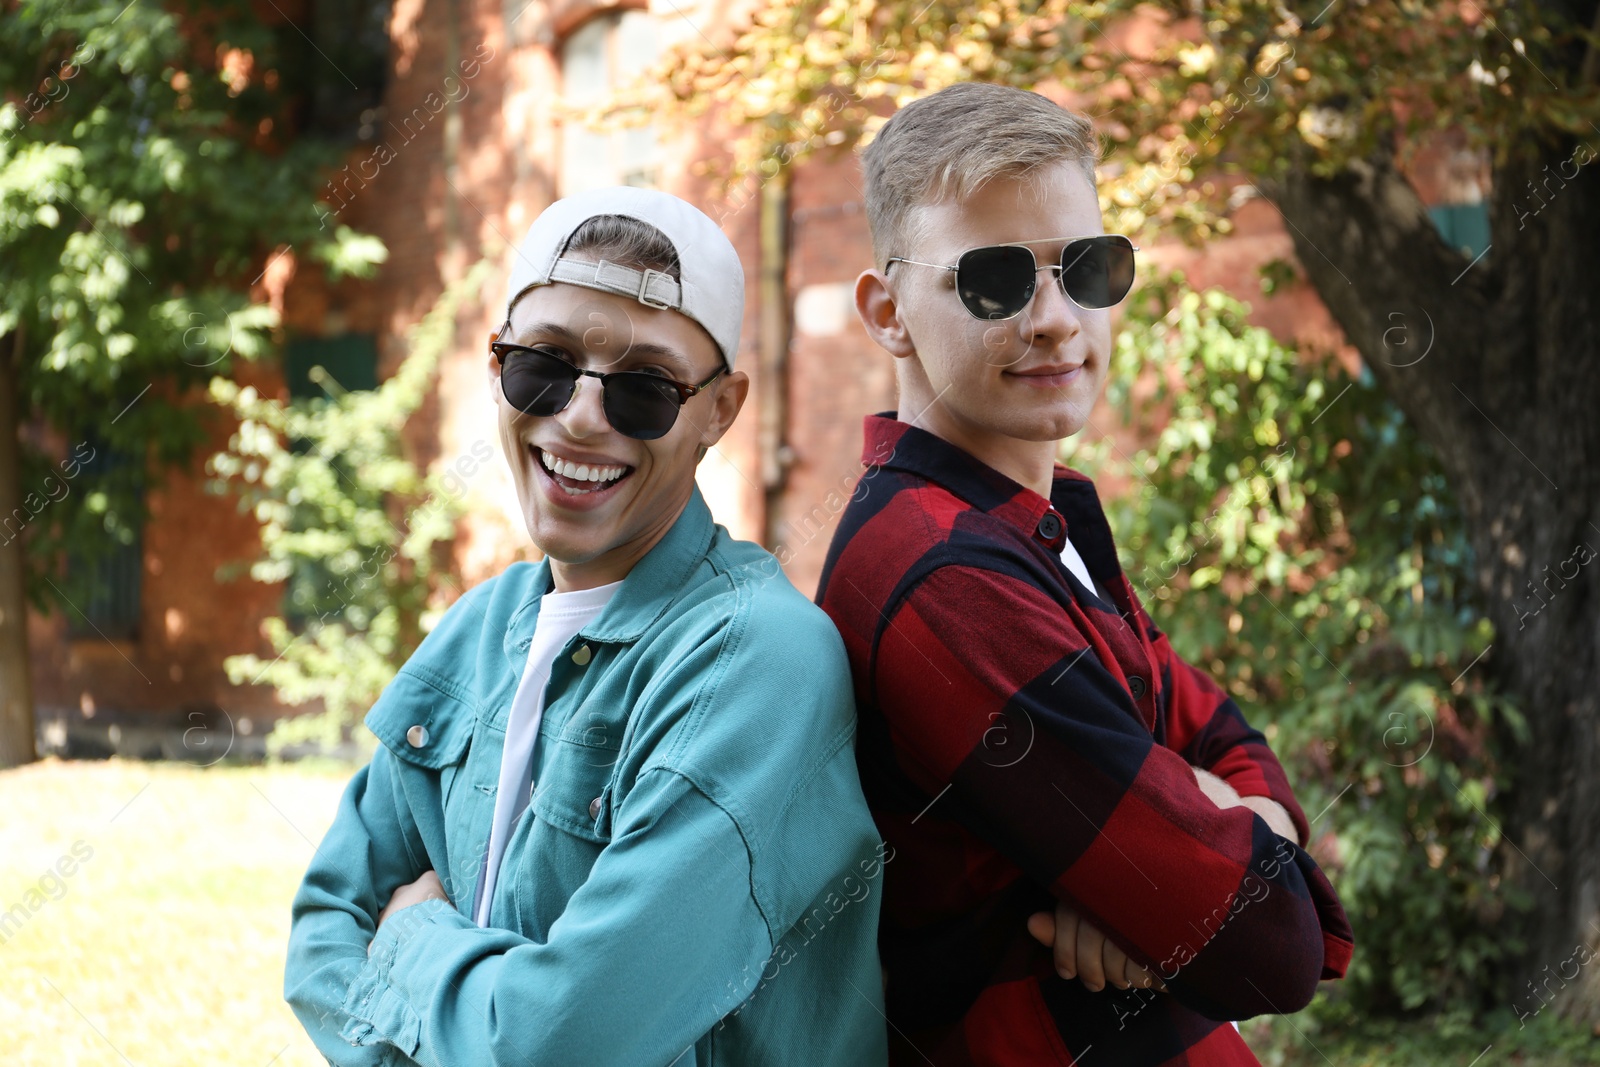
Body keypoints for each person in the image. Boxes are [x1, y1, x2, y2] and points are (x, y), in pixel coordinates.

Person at [285, 186, 890, 1067]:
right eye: (545, 364)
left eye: (644, 389)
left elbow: (563, 1041)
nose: (579, 415)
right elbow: (322, 930)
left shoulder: (756, 661)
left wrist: (412, 945)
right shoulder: (477, 630)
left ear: (720, 409)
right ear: (498, 369)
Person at [816, 81, 1354, 1065]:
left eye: (1087, 268)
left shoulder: (1036, 521)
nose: (1057, 319)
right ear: (887, 312)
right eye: (994, 281)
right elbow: (1268, 939)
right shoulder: (946, 577)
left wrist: (1220, 827)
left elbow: (1228, 733)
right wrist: (1207, 853)